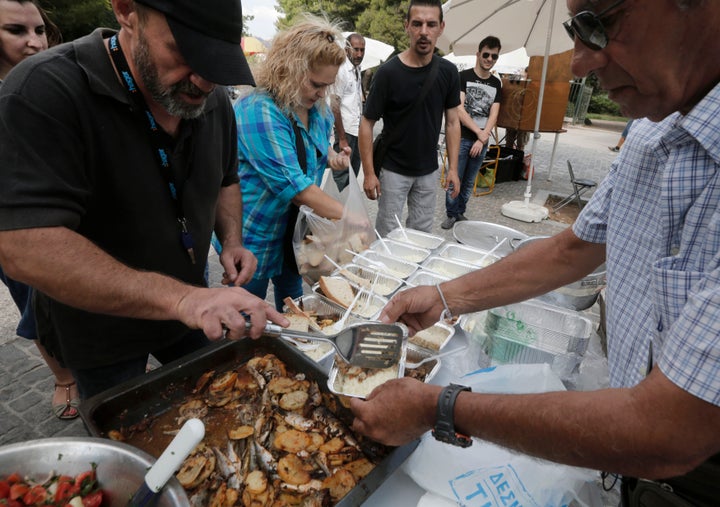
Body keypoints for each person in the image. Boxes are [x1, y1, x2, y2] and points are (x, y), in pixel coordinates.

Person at [351, 0, 720, 501]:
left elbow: (669, 431)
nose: (581, 61)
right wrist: (443, 295)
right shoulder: (652, 130)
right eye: (575, 30)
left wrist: (438, 407)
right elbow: (573, 249)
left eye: (600, 23)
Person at [0, 0, 289, 400]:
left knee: (216, 406)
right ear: (126, 11)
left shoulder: (215, 99)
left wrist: (233, 240)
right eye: (186, 54)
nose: (203, 83)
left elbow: (226, 179)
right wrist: (184, 298)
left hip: (192, 307)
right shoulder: (44, 89)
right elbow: (23, 246)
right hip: (101, 328)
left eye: (216, 64)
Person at [0, 0, 82, 419]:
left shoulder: (58, 83)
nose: (33, 42)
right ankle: (63, 377)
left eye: (39, 30)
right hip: (12, 224)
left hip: (67, 213)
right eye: (16, 31)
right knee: (34, 301)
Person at [233, 15, 350, 311]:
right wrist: (351, 219)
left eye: (328, 85)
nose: (322, 93)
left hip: (295, 233)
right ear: (288, 69)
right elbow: (295, 186)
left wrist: (332, 159)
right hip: (255, 237)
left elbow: (312, 153)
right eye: (315, 83)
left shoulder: (318, 109)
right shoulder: (258, 109)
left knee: (295, 307)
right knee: (248, 315)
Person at [359, 0, 461, 237]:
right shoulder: (388, 73)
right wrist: (369, 173)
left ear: (441, 27)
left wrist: (453, 169)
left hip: (428, 171)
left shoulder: (448, 72)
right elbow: (367, 123)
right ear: (407, 26)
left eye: (431, 24)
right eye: (417, 24)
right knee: (387, 234)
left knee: (421, 236)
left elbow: (453, 122)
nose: (424, 32)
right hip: (393, 171)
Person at [441, 36, 502, 229]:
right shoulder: (463, 77)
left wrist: (483, 138)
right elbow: (459, 109)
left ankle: (460, 212)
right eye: (486, 54)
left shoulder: (496, 83)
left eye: (494, 56)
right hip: (462, 138)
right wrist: (479, 133)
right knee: (455, 177)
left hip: (481, 142)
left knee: (468, 183)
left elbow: (494, 112)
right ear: (478, 54)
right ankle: (450, 214)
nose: (489, 59)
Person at [331, 32, 365, 192]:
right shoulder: (342, 71)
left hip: (356, 130)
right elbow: (334, 105)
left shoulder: (357, 69)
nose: (359, 54)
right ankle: (335, 211)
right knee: (341, 176)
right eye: (356, 49)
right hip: (345, 132)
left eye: (362, 50)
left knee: (353, 172)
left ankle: (345, 208)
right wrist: (342, 138)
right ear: (346, 49)